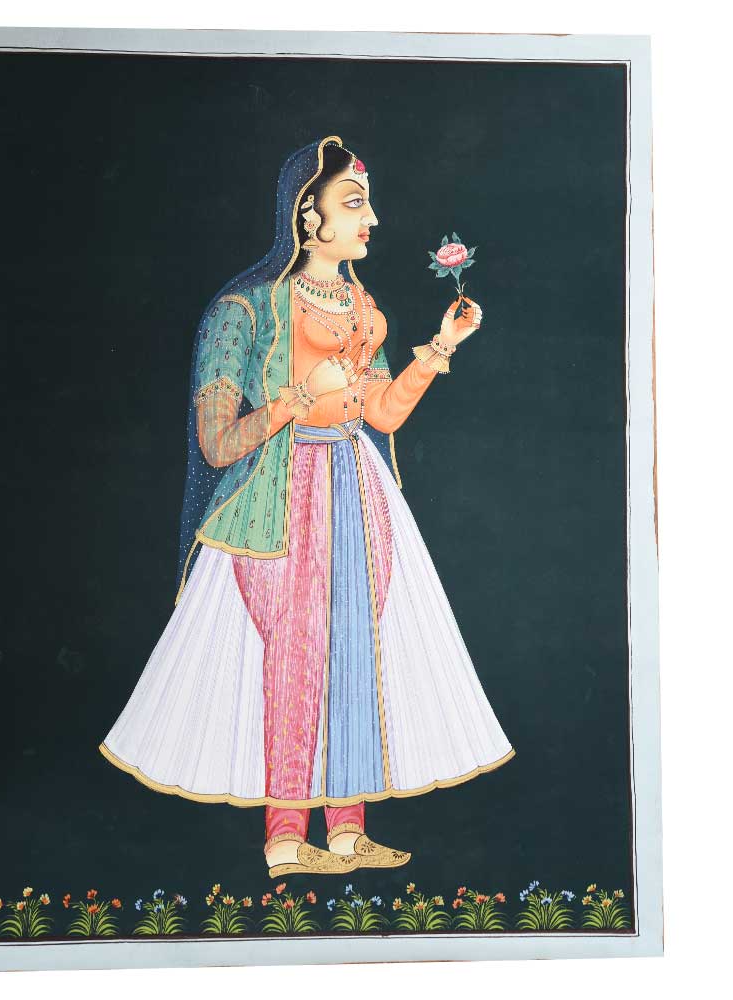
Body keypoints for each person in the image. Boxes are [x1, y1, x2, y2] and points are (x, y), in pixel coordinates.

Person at [100, 136, 514, 879]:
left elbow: (381, 414)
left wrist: (439, 347)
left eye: (368, 204)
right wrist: (295, 398)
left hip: (357, 487)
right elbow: (217, 443)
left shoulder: (362, 306)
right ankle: (287, 841)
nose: (372, 219)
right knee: (295, 650)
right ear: (307, 217)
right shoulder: (244, 310)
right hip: (278, 499)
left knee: (357, 645)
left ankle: (347, 832)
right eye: (354, 204)